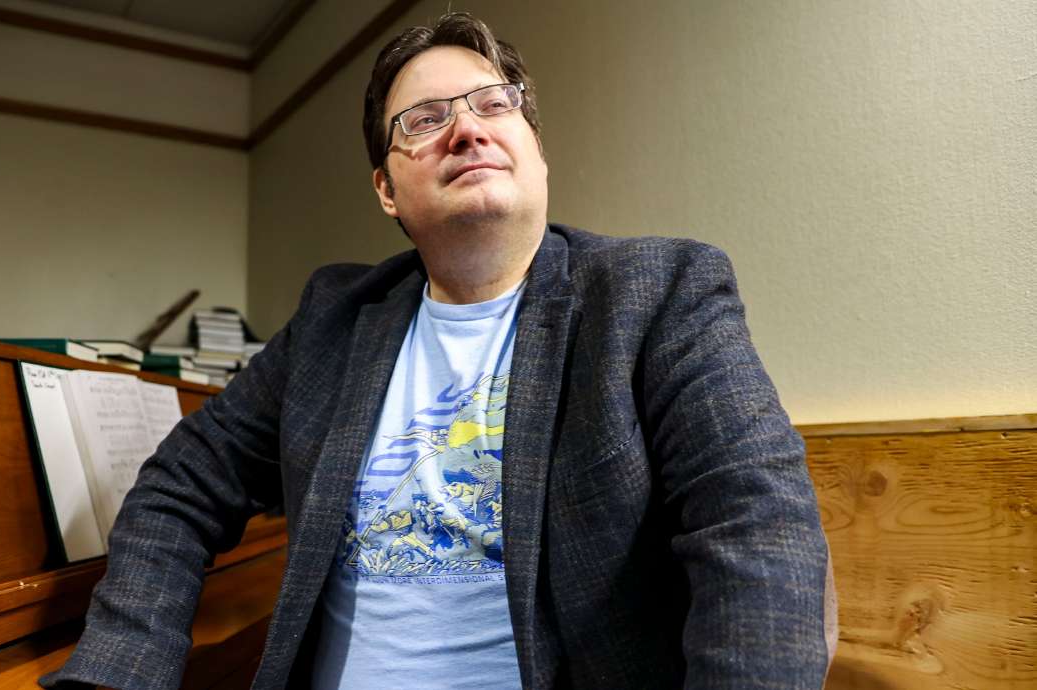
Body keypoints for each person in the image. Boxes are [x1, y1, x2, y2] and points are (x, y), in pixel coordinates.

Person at [43, 12, 835, 690]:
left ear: (536, 149)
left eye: (495, 103)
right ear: (387, 188)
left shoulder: (656, 294)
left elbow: (761, 532)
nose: (467, 127)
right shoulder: (334, 319)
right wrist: (120, 669)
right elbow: (181, 483)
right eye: (423, 120)